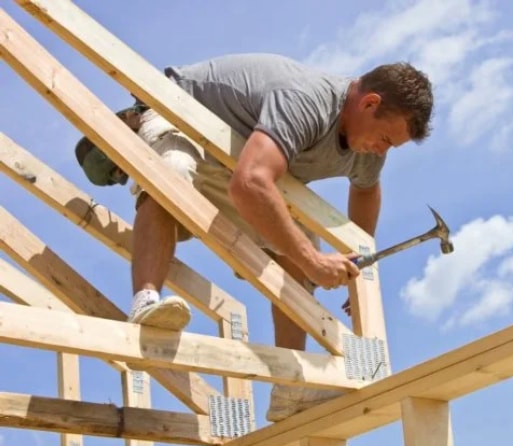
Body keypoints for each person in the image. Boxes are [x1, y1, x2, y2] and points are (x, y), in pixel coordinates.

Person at [76, 53, 434, 421]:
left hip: (236, 160)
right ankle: (146, 300)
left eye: (392, 146)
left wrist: (356, 266)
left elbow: (365, 191)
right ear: (369, 103)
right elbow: (250, 184)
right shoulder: (307, 100)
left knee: (300, 241)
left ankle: (289, 387)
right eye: (386, 139)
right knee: (173, 171)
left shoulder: (368, 148)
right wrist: (312, 260)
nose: (382, 151)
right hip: (182, 118)